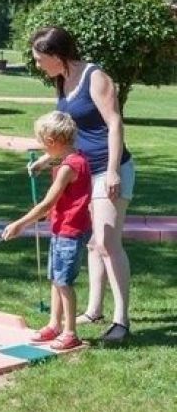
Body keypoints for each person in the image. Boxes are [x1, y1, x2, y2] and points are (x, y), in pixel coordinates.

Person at [28, 26, 135, 344]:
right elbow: (69, 134)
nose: (37, 65)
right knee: (92, 243)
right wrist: (49, 159)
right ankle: (93, 310)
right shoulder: (61, 80)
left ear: (56, 55)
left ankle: (121, 321)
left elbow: (114, 122)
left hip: (109, 169)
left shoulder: (95, 76)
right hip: (84, 171)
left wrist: (114, 170)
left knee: (107, 243)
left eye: (39, 59)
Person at [2, 111, 92, 351]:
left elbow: (46, 205)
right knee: (56, 278)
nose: (42, 148)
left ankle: (70, 332)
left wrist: (20, 224)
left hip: (70, 231)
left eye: (43, 143)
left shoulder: (68, 168)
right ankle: (54, 325)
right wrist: (44, 162)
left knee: (64, 282)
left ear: (53, 141)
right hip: (63, 228)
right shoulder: (75, 157)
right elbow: (58, 158)